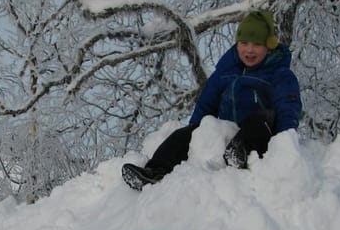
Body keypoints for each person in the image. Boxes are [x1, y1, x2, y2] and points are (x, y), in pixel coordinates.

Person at [122, 10, 302, 190]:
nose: (249, 50)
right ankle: (154, 171)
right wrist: (194, 134)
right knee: (182, 135)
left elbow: (288, 107)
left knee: (263, 116)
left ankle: (240, 153)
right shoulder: (225, 72)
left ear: (269, 46)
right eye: (244, 43)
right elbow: (206, 104)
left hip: (260, 136)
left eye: (257, 44)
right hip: (225, 135)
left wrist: (283, 146)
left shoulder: (279, 74)